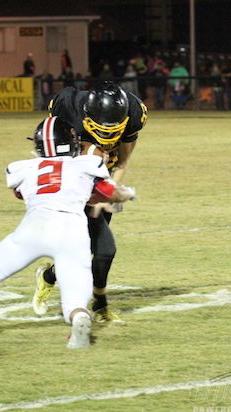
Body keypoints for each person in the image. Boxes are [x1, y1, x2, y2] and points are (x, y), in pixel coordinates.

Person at [0, 117, 136, 349]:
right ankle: (79, 320)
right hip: (71, 231)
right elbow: (107, 192)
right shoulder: (86, 164)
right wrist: (127, 194)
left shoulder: (22, 168)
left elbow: (21, 193)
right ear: (72, 143)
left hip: (33, 229)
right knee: (75, 300)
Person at [32, 81, 147, 322]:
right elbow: (52, 148)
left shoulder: (133, 112)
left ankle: (49, 277)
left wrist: (107, 192)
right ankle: (99, 306)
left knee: (93, 250)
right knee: (97, 250)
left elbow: (122, 162)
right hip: (73, 181)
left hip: (104, 180)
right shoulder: (68, 106)